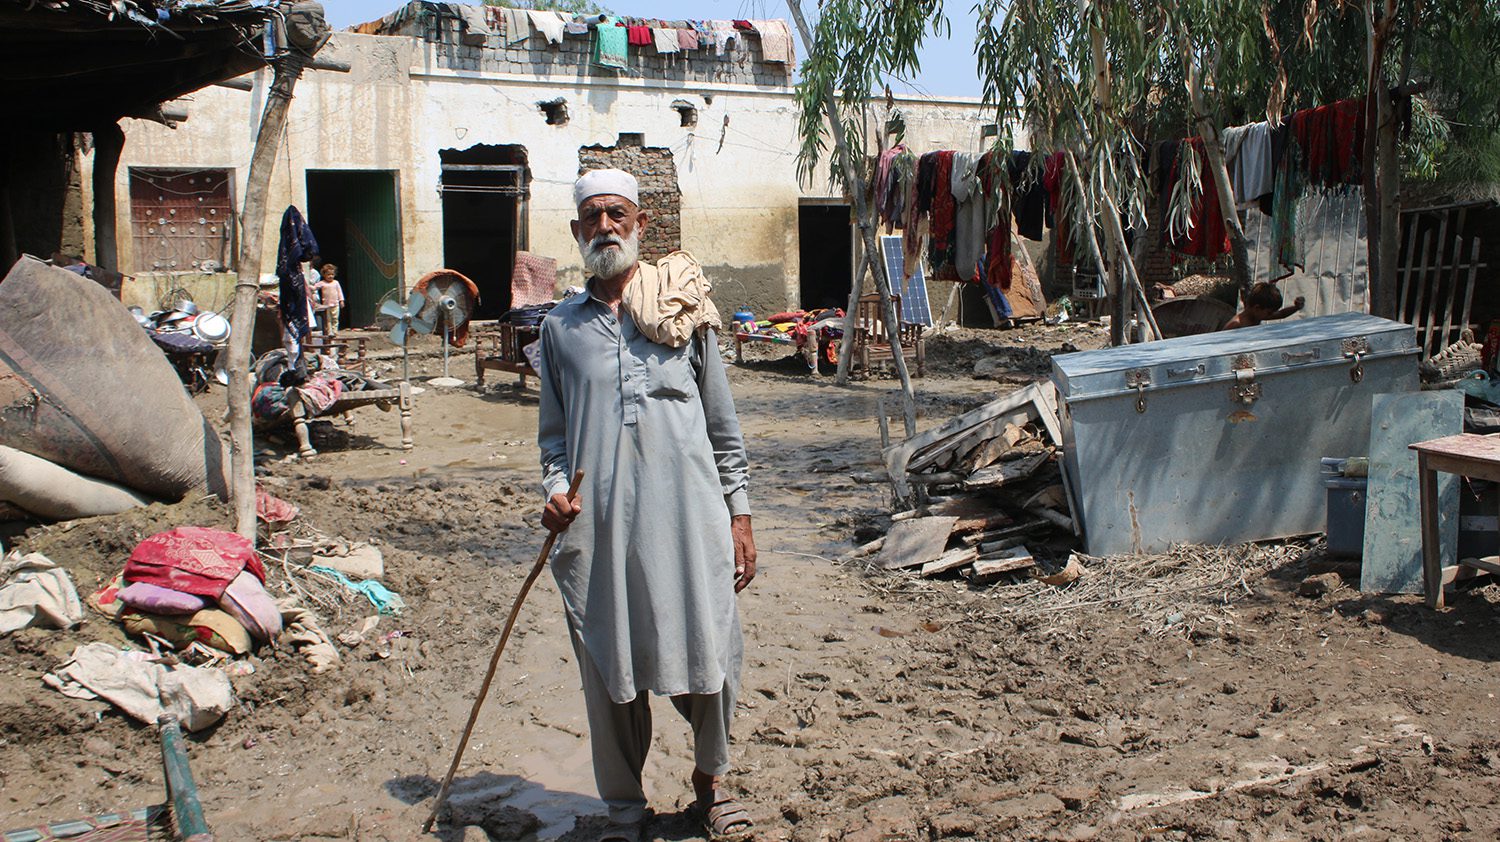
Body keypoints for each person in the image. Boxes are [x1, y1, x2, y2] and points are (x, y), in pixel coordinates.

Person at [537, 168, 756, 842]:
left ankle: (710, 785)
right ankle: (625, 808)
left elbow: (722, 424)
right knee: (610, 659)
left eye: (617, 215)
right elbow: (553, 437)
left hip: (690, 521)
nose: (605, 227)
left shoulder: (684, 313)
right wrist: (553, 493)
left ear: (641, 226)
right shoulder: (560, 330)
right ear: (577, 231)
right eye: (593, 217)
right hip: (601, 529)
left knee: (709, 644)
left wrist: (740, 513)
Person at [1222, 281, 1305, 330]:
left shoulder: (1257, 315)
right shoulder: (1236, 324)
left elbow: (1282, 314)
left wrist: (1296, 307)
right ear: (1257, 308)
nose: (1271, 315)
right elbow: (1220, 343)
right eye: (1269, 313)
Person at [313, 262, 345, 336]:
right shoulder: (322, 283)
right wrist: (309, 288)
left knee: (335, 318)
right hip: (326, 305)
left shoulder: (336, 283)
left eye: (332, 274)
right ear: (324, 275)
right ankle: (329, 331)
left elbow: (340, 292)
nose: (330, 276)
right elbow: (315, 287)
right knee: (328, 319)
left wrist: (341, 301)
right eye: (328, 274)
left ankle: (335, 330)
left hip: (335, 304)